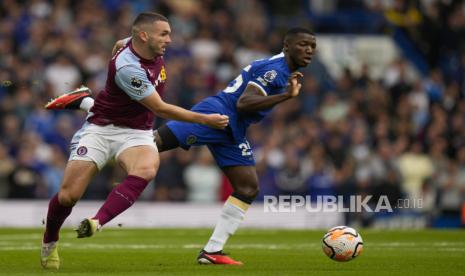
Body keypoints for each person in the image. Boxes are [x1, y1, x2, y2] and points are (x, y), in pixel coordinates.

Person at [46, 27, 317, 265]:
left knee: (247, 188)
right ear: (286, 46)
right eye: (303, 44)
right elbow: (244, 103)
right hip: (217, 115)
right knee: (150, 141)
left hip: (233, 129)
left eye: (312, 46)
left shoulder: (283, 69)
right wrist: (285, 96)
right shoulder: (275, 70)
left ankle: (212, 251)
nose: (309, 50)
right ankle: (90, 106)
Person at [40, 12, 229, 270]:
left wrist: (122, 41)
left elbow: (124, 40)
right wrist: (205, 120)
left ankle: (98, 221)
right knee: (68, 197)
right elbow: (160, 109)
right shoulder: (129, 67)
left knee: (147, 168)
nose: (170, 40)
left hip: (136, 132)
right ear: (144, 36)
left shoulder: (143, 43)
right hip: (101, 129)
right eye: (164, 34)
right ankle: (50, 240)